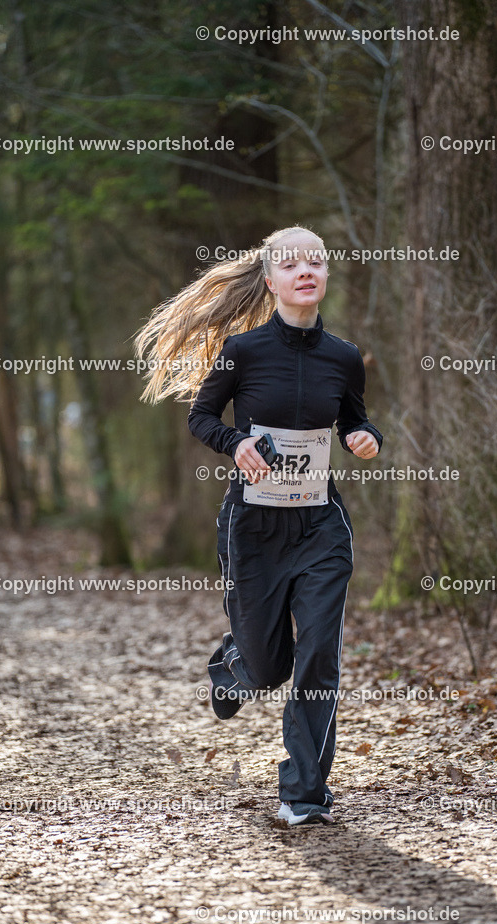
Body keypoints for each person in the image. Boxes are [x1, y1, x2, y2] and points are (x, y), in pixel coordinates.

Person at [135, 225, 382, 825]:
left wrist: (363, 438)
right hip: (253, 529)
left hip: (321, 528)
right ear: (270, 280)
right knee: (269, 665)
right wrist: (236, 442)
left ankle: (304, 795)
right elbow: (200, 417)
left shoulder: (344, 358)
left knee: (319, 652)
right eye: (292, 265)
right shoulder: (243, 352)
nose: (307, 272)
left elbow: (358, 421)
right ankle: (235, 668)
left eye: (317, 264)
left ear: (324, 277)